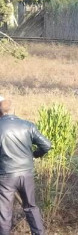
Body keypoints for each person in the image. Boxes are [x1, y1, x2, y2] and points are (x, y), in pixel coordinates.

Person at [0, 100, 51, 235]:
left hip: (6, 175)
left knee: (4, 212)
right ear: (14, 110)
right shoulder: (28, 125)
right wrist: (35, 154)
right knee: (31, 207)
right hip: (26, 173)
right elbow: (47, 145)